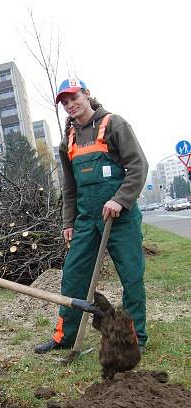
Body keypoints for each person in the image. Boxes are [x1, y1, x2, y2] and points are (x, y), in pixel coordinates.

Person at [35, 78, 148, 354]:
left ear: (87, 95)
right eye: (64, 101)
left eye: (74, 97)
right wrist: (68, 222)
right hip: (86, 220)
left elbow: (138, 166)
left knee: (131, 277)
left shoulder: (114, 124)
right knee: (73, 277)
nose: (70, 104)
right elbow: (70, 187)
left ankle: (134, 339)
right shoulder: (69, 139)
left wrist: (120, 199)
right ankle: (66, 336)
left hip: (120, 218)